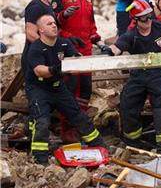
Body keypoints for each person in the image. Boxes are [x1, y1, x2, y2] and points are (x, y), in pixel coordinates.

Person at [105, 0, 161, 153]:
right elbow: (117, 47)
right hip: (139, 76)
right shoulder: (131, 36)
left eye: (149, 16)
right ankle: (133, 142)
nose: (147, 20)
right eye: (143, 18)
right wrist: (108, 51)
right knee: (128, 104)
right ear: (135, 19)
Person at [25, 14, 105, 164]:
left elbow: (76, 59)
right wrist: (58, 68)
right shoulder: (36, 48)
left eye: (54, 23)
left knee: (78, 116)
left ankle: (100, 146)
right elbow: (39, 70)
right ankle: (40, 159)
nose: (54, 25)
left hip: (58, 88)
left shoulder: (63, 44)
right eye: (49, 24)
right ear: (41, 30)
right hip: (39, 89)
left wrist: (77, 59)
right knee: (42, 122)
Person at [52, 0, 103, 143]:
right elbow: (51, 25)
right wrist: (66, 35)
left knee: (85, 91)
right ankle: (67, 129)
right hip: (69, 52)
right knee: (70, 90)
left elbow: (91, 26)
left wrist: (99, 41)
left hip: (86, 52)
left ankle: (81, 125)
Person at [23, 0, 58, 68]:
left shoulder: (47, 4)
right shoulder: (36, 6)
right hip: (36, 59)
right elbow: (30, 33)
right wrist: (49, 50)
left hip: (44, 56)